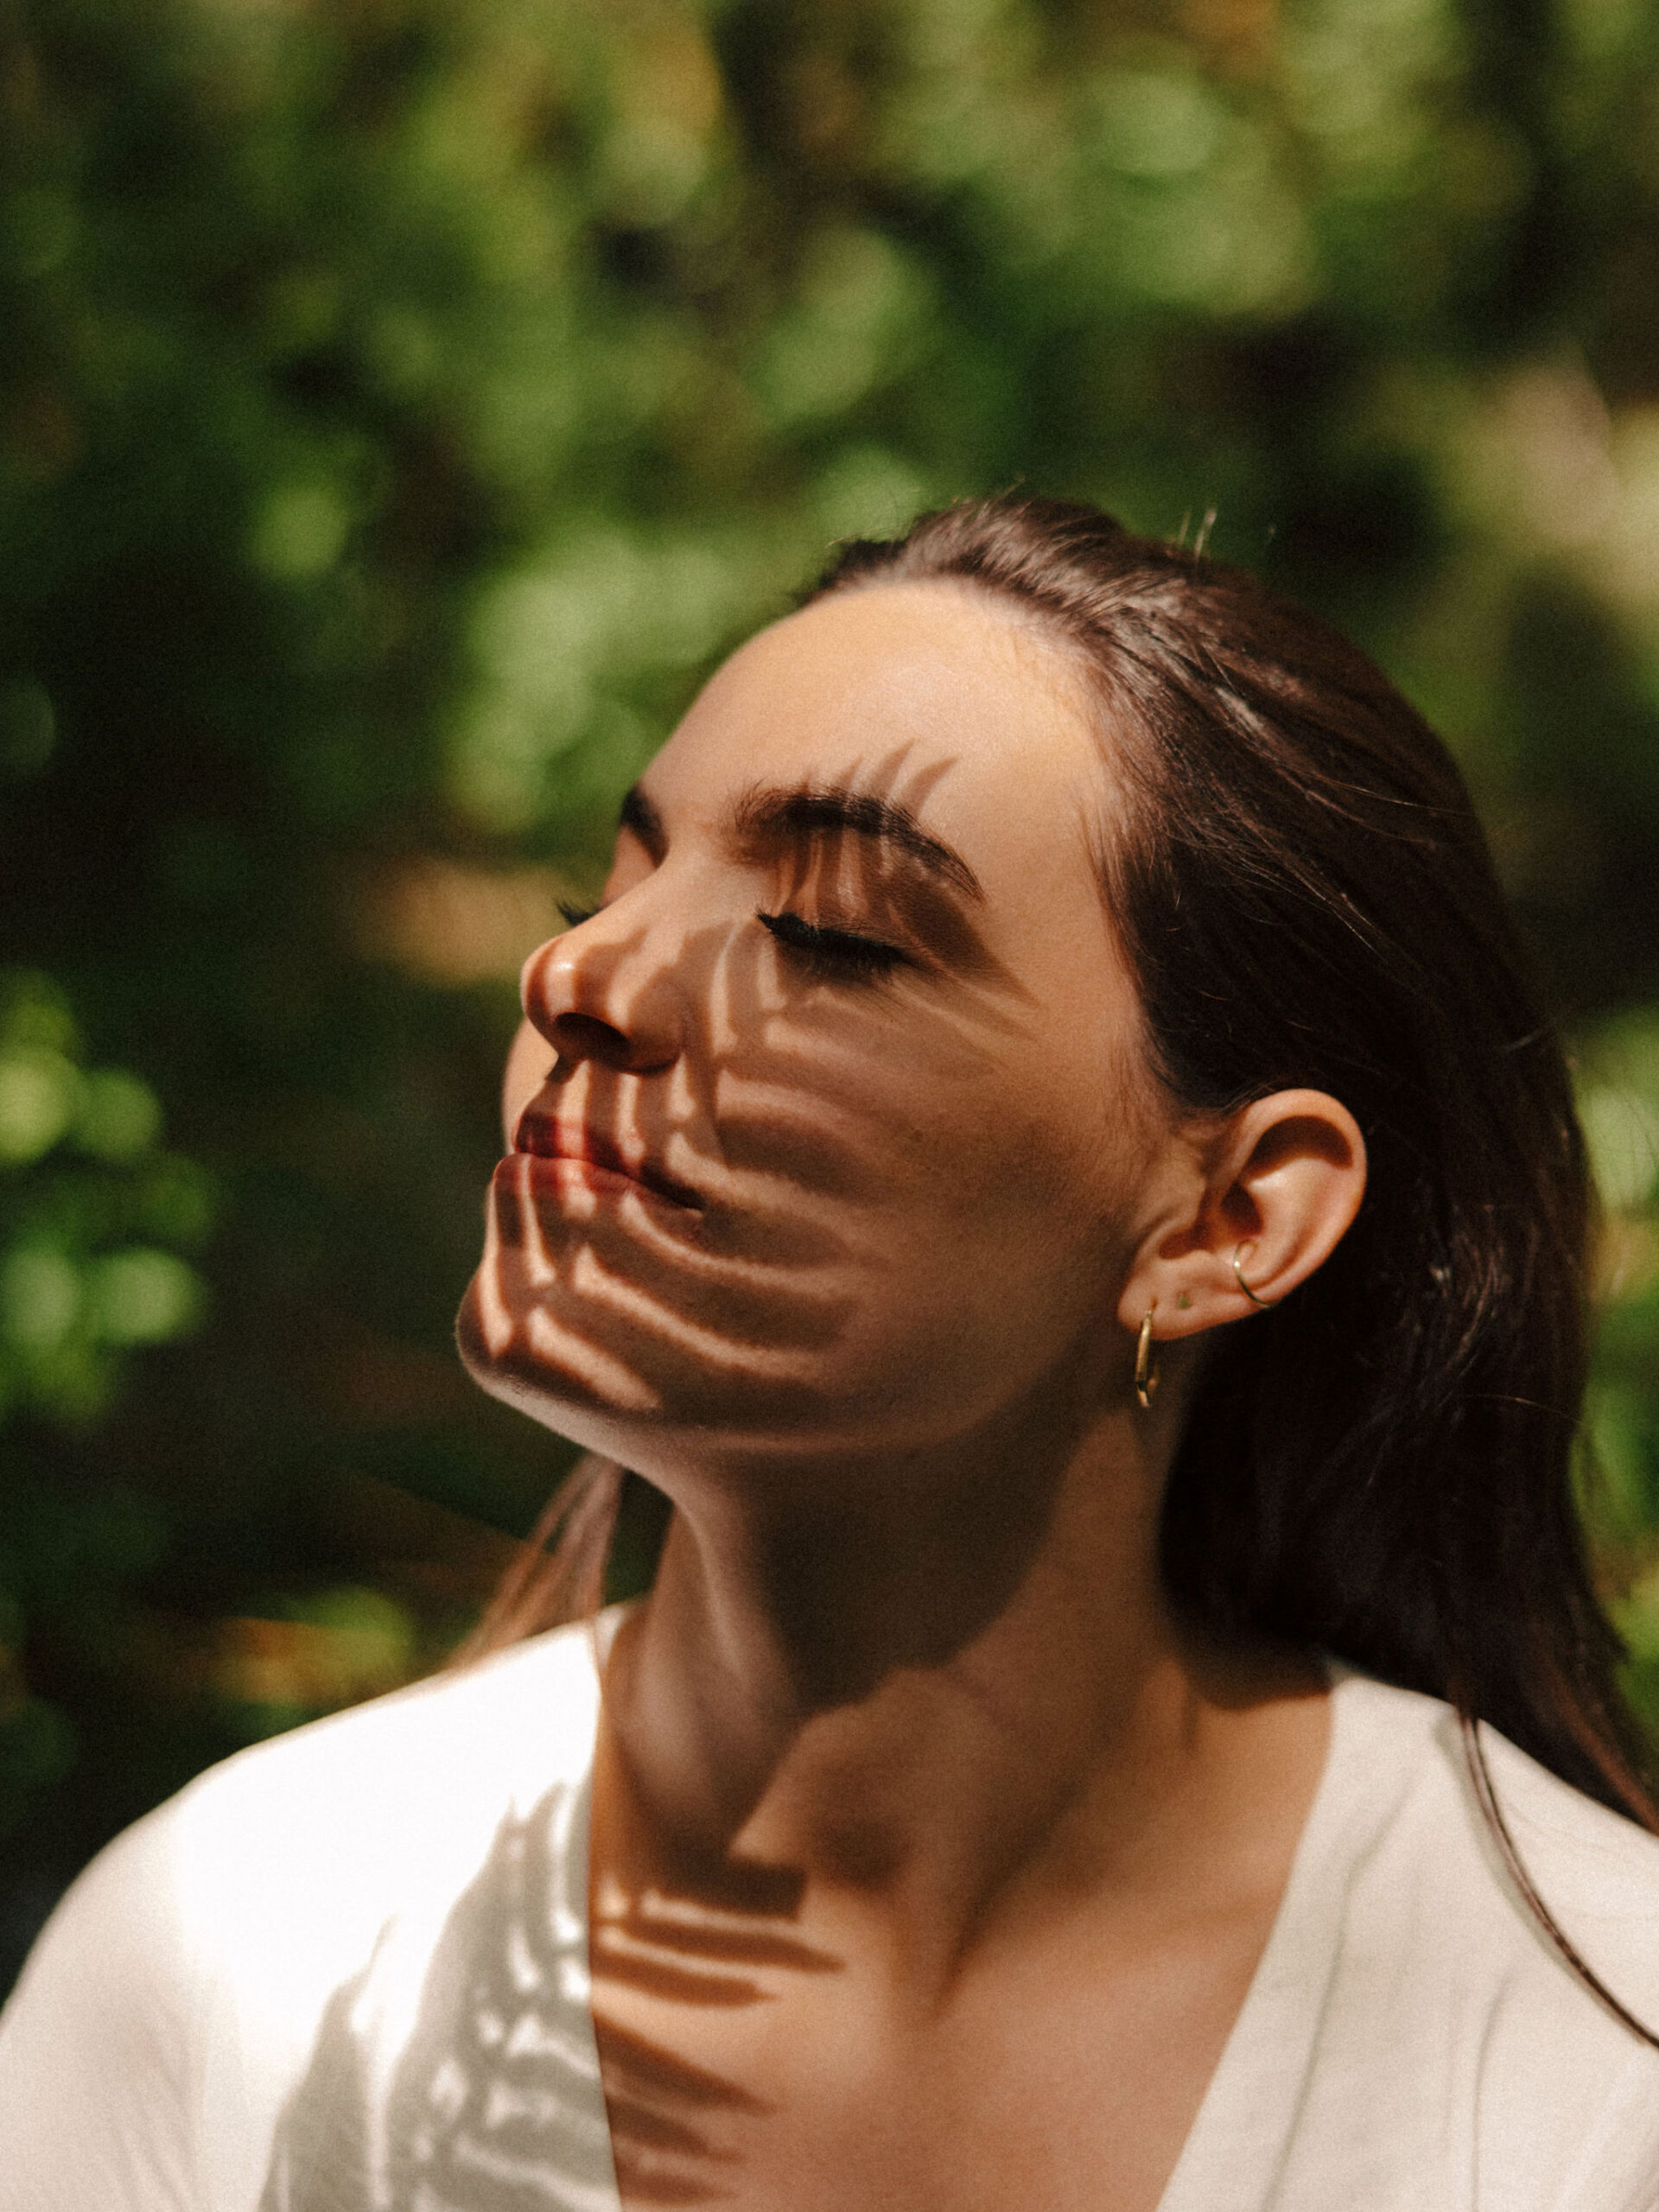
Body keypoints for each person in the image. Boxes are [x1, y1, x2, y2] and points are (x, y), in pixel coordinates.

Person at [3, 495, 1659, 2212]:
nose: (577, 970)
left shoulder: (1585, 2071)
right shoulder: (233, 1959)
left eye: (831, 935)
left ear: (1226, 1214)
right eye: (617, 880)